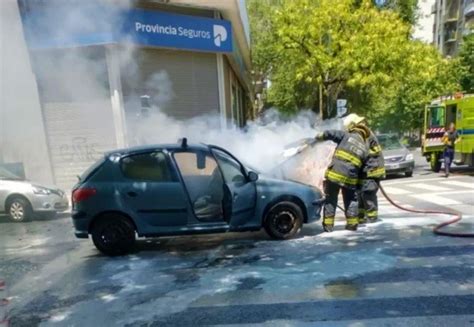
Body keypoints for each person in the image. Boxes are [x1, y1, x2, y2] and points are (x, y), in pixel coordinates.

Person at [314, 114, 370, 232]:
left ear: (352, 127)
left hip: (335, 174)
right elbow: (363, 172)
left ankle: (328, 226)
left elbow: (331, 134)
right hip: (351, 178)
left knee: (331, 199)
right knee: (351, 200)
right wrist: (358, 186)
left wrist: (320, 136)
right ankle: (352, 225)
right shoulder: (365, 149)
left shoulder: (346, 135)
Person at [357, 121, 385, 224]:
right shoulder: (364, 134)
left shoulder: (365, 134)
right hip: (367, 170)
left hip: (372, 170)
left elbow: (360, 153)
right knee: (360, 194)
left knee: (368, 193)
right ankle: (360, 216)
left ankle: (372, 218)